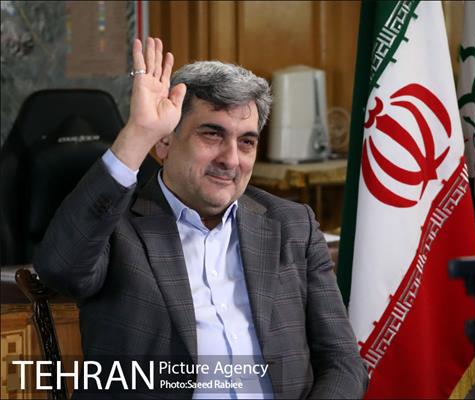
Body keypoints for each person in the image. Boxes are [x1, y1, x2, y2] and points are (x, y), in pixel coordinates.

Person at [34, 37, 368, 399]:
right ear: (165, 142)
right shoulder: (116, 226)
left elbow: (342, 363)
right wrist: (138, 134)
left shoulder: (293, 225)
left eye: (246, 142)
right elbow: (60, 269)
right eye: (212, 134)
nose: (230, 159)